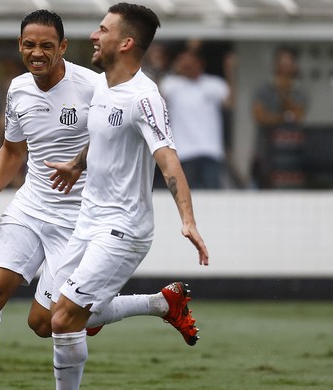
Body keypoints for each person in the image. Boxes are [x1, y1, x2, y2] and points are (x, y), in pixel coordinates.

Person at [44, 3, 209, 389]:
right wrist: (77, 164)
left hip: (123, 229)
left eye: (103, 29)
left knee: (64, 319)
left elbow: (169, 163)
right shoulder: (103, 84)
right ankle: (162, 303)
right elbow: (104, 135)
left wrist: (187, 220)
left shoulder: (145, 98)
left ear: (126, 42)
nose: (93, 36)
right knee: (51, 316)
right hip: (89, 221)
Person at [0, 10, 99, 390]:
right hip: (31, 206)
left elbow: (117, 139)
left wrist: (79, 163)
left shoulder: (92, 86)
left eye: (46, 46)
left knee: (44, 324)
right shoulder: (18, 88)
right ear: (20, 45)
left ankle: (153, 303)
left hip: (77, 220)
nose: (36, 53)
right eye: (29, 45)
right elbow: (12, 149)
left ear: (64, 47)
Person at [159, 48, 232, 189]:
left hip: (211, 151)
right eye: (183, 63)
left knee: (212, 199)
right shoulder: (171, 84)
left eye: (191, 63)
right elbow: (157, 100)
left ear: (200, 64)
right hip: (183, 152)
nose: (187, 66)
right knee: (185, 197)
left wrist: (230, 71)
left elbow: (229, 103)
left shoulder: (214, 84)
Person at [251, 47, 308, 189]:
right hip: (266, 150)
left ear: (294, 66)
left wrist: (283, 93)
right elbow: (260, 116)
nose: (285, 69)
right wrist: (284, 116)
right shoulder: (263, 89)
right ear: (275, 65)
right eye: (282, 64)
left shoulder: (299, 91)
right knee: (264, 187)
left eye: (288, 64)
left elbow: (298, 115)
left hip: (291, 153)